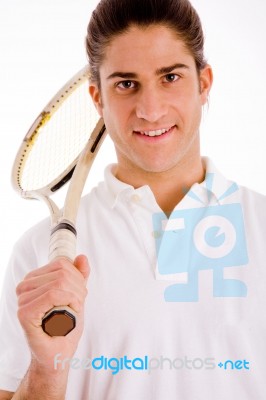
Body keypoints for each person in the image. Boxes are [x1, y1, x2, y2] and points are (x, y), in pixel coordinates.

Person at [0, 0, 266, 398]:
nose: (151, 109)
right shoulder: (39, 257)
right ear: (97, 98)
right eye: (126, 84)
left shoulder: (260, 224)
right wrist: (45, 367)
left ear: (204, 83)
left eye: (170, 77)